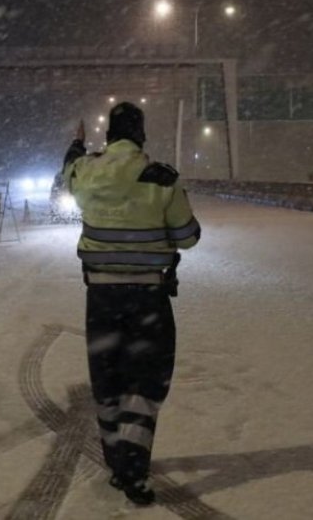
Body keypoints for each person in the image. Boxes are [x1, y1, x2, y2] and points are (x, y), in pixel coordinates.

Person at [61, 102, 200, 506]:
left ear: (109, 137)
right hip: (148, 300)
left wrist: (75, 142)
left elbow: (68, 170)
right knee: (146, 380)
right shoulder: (161, 178)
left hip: (100, 297)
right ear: (141, 135)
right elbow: (188, 237)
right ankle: (134, 471)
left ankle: (116, 462)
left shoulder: (87, 171)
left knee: (107, 380)